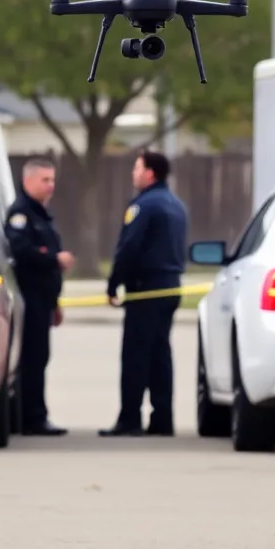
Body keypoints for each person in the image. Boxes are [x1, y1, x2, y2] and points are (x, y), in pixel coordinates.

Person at [100, 150, 189, 437]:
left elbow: (129, 247)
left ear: (150, 173)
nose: (133, 173)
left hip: (145, 289)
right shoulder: (176, 204)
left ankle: (130, 418)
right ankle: (163, 419)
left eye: (137, 168)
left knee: (136, 355)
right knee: (160, 354)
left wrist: (114, 283)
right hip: (170, 286)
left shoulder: (143, 206)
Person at [5, 158, 74, 436]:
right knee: (32, 359)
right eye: (45, 180)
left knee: (40, 357)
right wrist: (54, 259)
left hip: (43, 301)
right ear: (28, 181)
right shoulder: (21, 214)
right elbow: (21, 251)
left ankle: (34, 414)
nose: (51, 185)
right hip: (30, 299)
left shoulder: (41, 214)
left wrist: (55, 304)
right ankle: (32, 418)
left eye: (52, 180)